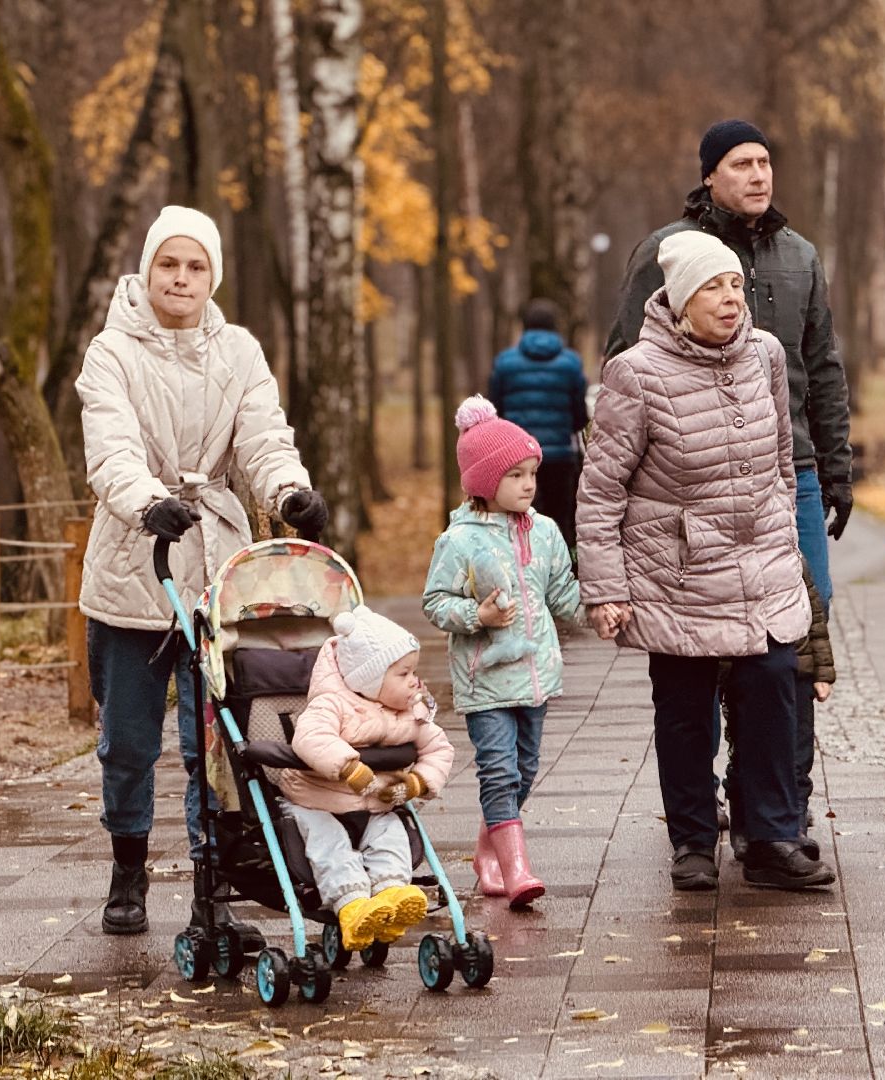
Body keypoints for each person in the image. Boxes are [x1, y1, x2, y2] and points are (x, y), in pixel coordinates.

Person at [77, 205, 329, 936]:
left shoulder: (239, 351)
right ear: (148, 269)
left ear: (211, 276)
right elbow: (111, 447)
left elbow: (262, 436)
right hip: (137, 560)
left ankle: (209, 882)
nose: (180, 278)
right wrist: (145, 501)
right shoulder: (111, 353)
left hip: (219, 566)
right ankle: (128, 865)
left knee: (215, 741)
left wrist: (287, 491)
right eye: (168, 264)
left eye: (195, 267)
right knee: (126, 739)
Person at [604, 118, 853, 837]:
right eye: (741, 163)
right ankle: (700, 804)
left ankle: (778, 811)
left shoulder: (799, 255)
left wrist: (835, 469)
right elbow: (625, 359)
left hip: (788, 468)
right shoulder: (662, 251)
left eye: (766, 162)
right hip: (687, 486)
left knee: (795, 641)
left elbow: (823, 365)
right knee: (701, 651)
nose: (759, 175)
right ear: (710, 174)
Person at [577, 229, 835, 893]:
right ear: (681, 300)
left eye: (734, 285)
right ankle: (693, 839)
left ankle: (773, 836)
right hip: (678, 575)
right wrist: (606, 588)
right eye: (713, 287)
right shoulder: (635, 374)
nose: (730, 298)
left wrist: (780, 527)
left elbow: (781, 458)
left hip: (763, 567)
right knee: (686, 708)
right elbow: (601, 492)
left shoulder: (767, 356)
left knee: (776, 685)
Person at [422, 396, 583, 908]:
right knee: (500, 770)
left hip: (535, 677)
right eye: (515, 475)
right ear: (486, 482)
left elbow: (563, 595)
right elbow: (435, 602)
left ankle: (487, 854)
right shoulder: (460, 541)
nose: (530, 484)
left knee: (526, 770)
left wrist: (604, 609)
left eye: (532, 472)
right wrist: (478, 617)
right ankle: (517, 871)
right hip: (485, 680)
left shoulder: (547, 532)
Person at [275, 608, 454, 950]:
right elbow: (310, 739)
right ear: (369, 679)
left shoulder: (410, 712)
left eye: (413, 672)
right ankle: (353, 906)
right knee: (331, 848)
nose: (415, 681)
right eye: (404, 674)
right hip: (318, 801)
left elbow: (440, 748)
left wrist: (417, 782)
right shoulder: (331, 705)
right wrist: (348, 767)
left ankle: (391, 895)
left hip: (374, 805)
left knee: (393, 836)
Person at [725, 566, 835, 862]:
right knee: (748, 749)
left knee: (799, 755)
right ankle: (745, 820)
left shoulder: (793, 559)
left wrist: (822, 671)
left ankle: (794, 826)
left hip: (799, 672)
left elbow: (815, 618)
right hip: (751, 670)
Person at [487, 298, 589, 552]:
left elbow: (494, 412)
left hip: (516, 459)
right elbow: (579, 415)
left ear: (524, 326)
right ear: (555, 327)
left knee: (519, 519)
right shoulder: (571, 363)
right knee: (559, 520)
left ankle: (523, 573)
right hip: (559, 457)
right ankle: (560, 579)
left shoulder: (505, 363)